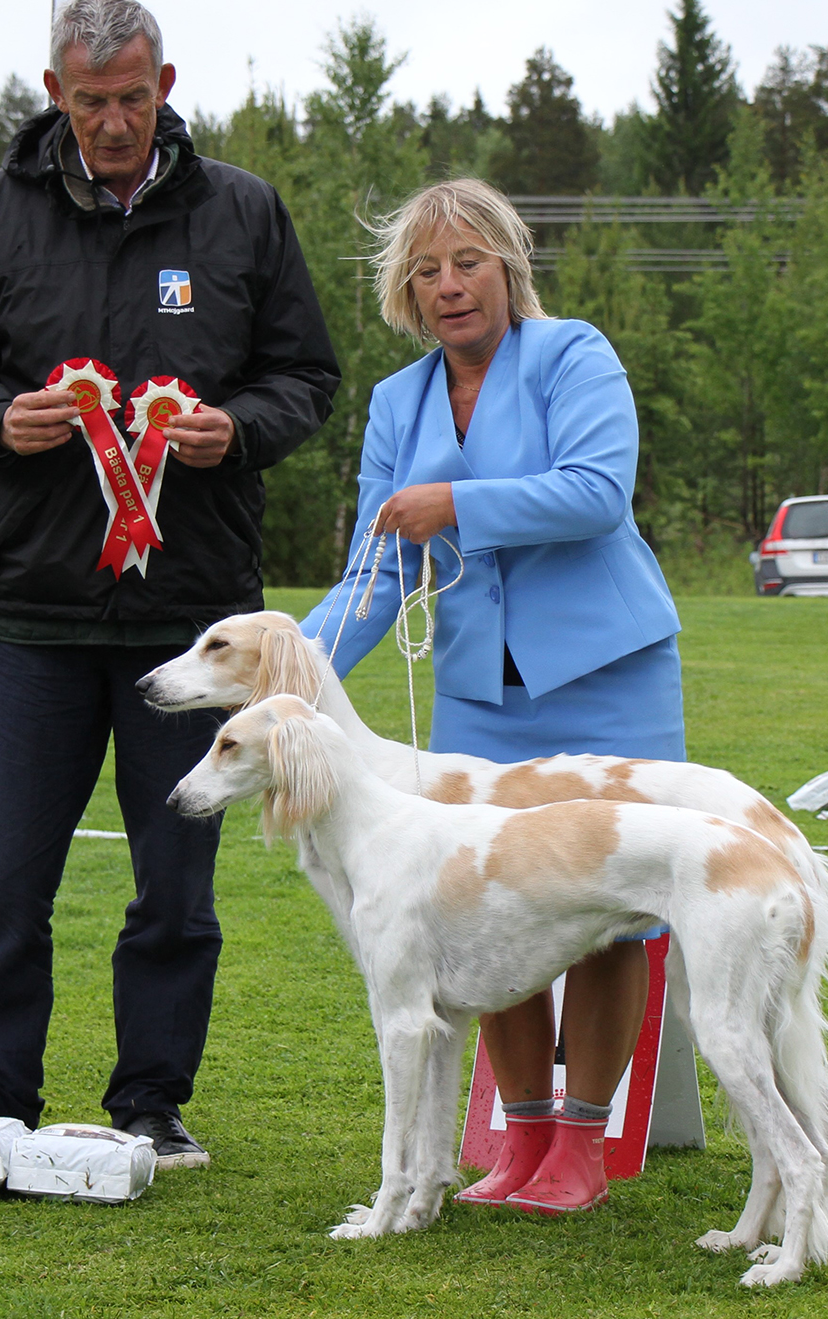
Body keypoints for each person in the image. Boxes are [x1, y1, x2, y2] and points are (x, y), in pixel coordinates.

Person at [0, 0, 339, 1166]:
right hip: (33, 616)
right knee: (3, 878)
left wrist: (236, 432)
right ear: (55, 92)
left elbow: (306, 374)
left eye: (133, 99)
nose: (113, 122)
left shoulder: (243, 212)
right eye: (91, 100)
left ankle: (152, 1101)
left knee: (173, 891)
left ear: (167, 86)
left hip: (191, 625)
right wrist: (2, 420)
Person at [300, 179, 683, 1213]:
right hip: (477, 704)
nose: (447, 286)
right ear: (405, 293)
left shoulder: (573, 356)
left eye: (466, 262)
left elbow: (596, 491)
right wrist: (291, 674)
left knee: (609, 916)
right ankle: (517, 1141)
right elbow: (373, 572)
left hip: (607, 680)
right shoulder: (397, 402)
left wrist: (454, 502)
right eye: (425, 271)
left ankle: (582, 1148)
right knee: (488, 910)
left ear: (508, 266)